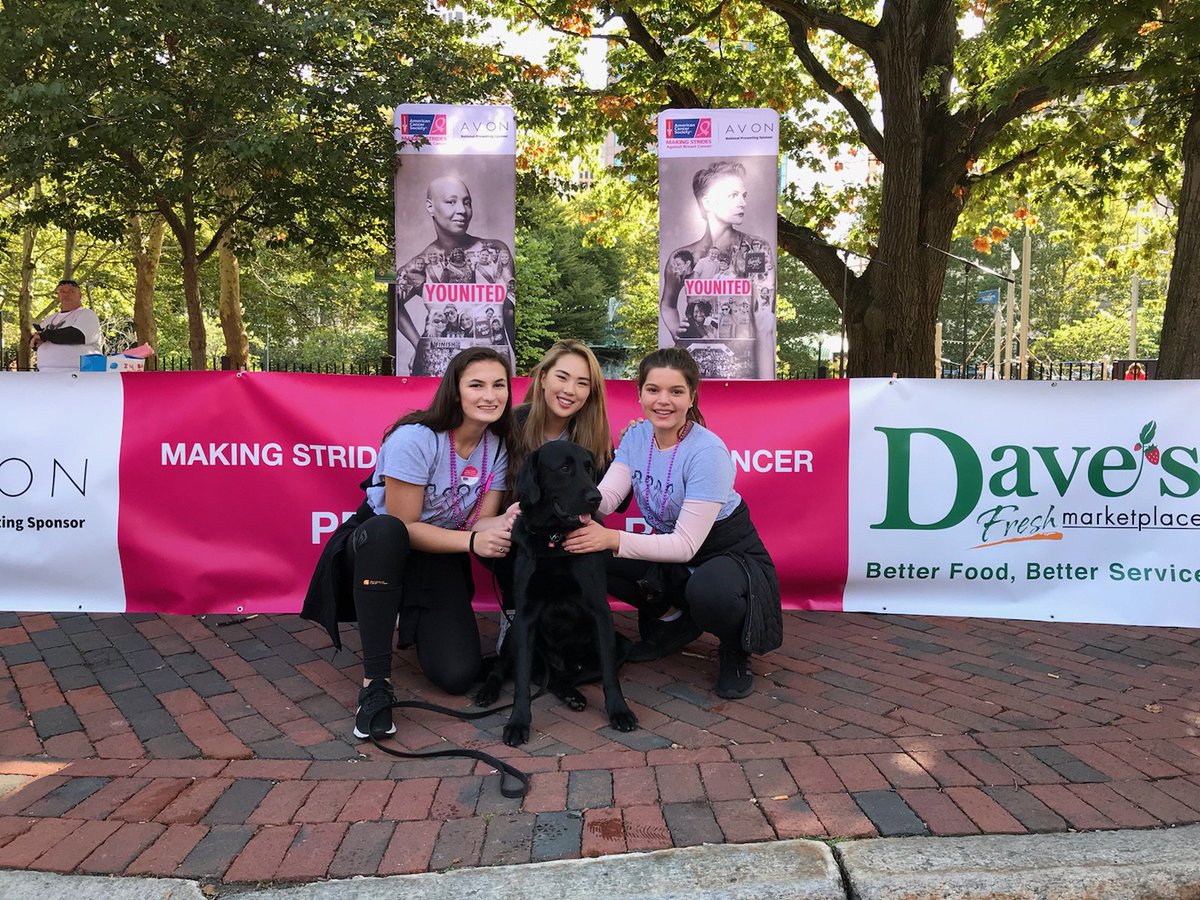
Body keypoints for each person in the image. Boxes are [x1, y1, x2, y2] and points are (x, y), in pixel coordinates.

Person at [302, 347, 515, 740]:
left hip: (438, 553)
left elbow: (481, 519)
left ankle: (413, 615)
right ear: (454, 391)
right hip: (378, 546)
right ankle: (375, 684)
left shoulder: (498, 446)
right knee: (388, 532)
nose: (490, 395)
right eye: (477, 385)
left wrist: (507, 520)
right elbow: (404, 525)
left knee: (458, 675)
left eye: (499, 385)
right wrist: (473, 541)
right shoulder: (415, 439)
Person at [560, 348, 782, 699]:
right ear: (640, 394)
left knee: (711, 592)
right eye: (653, 390)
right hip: (672, 550)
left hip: (723, 551)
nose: (663, 401)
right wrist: (557, 502)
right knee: (585, 553)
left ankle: (735, 648)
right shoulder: (636, 438)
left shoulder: (707, 453)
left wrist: (610, 539)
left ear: (692, 397)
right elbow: (605, 500)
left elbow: (685, 546)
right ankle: (673, 620)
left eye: (676, 391)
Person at [659, 161, 775, 378]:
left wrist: (766, 387)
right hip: (691, 373)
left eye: (744, 195)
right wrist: (678, 332)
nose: (742, 203)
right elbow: (667, 305)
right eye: (733, 195)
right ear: (708, 201)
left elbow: (764, 324)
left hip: (742, 373)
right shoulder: (683, 257)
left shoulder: (756, 250)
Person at [31, 279, 101, 372]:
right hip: (46, 373)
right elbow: (37, 337)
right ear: (58, 295)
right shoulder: (50, 318)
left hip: (77, 373)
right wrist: (34, 340)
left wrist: (45, 336)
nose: (66, 294)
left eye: (71, 291)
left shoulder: (87, 314)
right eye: (62, 291)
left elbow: (77, 335)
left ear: (80, 296)